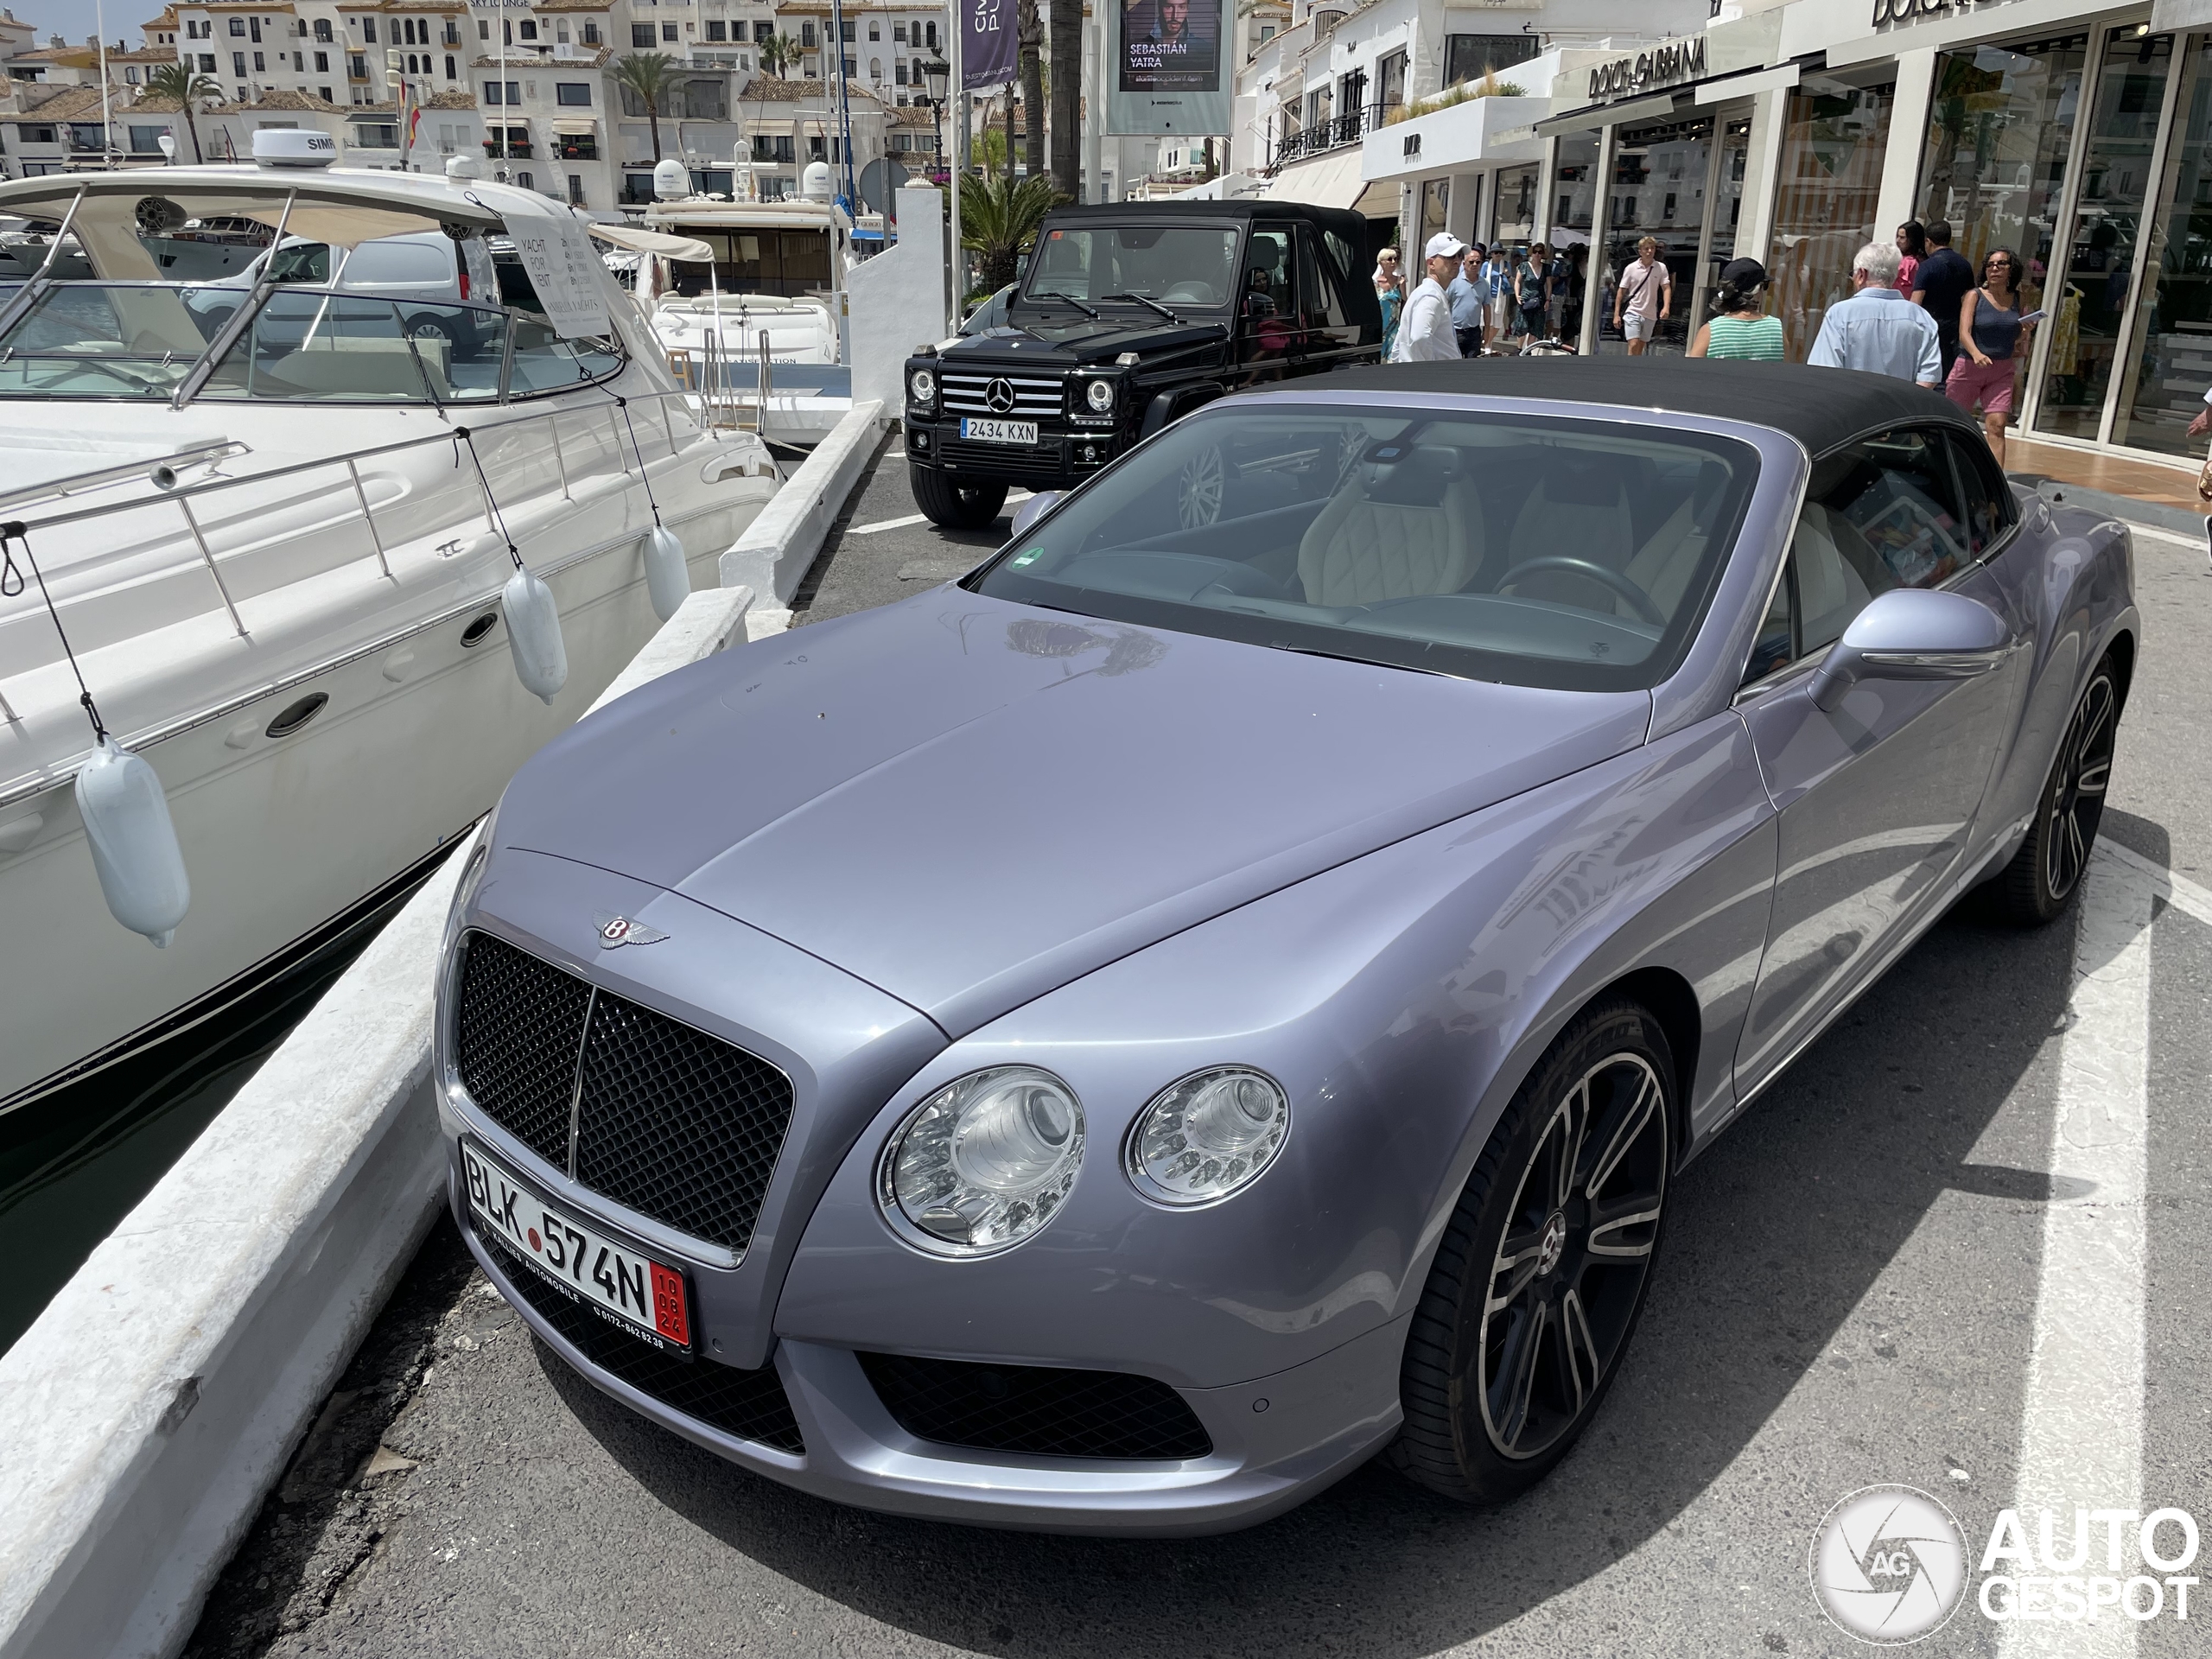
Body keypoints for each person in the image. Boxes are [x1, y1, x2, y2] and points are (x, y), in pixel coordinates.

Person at [1948, 246, 2037, 468]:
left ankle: (1997, 478)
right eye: (1990, 265)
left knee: (1997, 425)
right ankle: (1950, 467)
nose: (1994, 269)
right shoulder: (1974, 296)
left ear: (2011, 270)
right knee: (1954, 422)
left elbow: (2014, 339)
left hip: (2001, 369)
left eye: (2001, 264)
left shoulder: (2018, 298)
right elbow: (1964, 332)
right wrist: (1976, 354)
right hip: (1969, 367)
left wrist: (2026, 331)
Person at [1808, 240, 1942, 386]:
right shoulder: (1921, 318)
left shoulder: (1840, 314)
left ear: (1861, 275)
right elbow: (1929, 376)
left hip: (1851, 406)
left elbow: (1823, 371)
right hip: (1901, 406)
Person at [1910, 219, 1976, 382]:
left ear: (1928, 241)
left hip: (1930, 326)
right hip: (1954, 327)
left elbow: (1915, 302)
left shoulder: (1927, 266)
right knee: (1946, 374)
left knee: (1925, 373)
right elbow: (1969, 297)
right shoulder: (1965, 265)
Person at [1686, 257, 1784, 360]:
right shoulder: (1777, 329)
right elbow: (1788, 372)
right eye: (1764, 286)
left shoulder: (1711, 331)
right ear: (1756, 290)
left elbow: (1693, 371)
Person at [1393, 231, 1464, 362]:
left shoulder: (1424, 292)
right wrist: (1426, 375)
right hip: (1433, 378)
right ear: (1431, 263)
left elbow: (1399, 345)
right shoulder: (1431, 296)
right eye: (1450, 256)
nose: (1457, 261)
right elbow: (1420, 337)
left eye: (1460, 256)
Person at [1613, 236, 1671, 356]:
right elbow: (1621, 291)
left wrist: (1666, 307)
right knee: (1633, 344)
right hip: (1633, 311)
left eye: (1652, 248)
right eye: (1646, 249)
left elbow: (1666, 288)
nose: (1650, 251)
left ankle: (1635, 368)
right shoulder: (1631, 268)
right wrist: (1616, 315)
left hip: (1650, 313)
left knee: (1640, 346)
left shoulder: (1660, 267)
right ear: (1640, 251)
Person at [1447, 244, 1488, 358]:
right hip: (1455, 332)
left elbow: (1487, 308)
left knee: (1472, 366)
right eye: (1471, 262)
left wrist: (1487, 330)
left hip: (1474, 332)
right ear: (1464, 264)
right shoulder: (1454, 282)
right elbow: (1445, 305)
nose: (1475, 265)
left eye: (1478, 262)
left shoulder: (1484, 284)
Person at [1511, 242, 1551, 346]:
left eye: (1540, 252)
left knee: (1536, 327)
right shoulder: (1524, 266)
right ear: (1531, 253)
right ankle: (1520, 349)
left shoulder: (1546, 268)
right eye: (1535, 252)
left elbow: (1549, 285)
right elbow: (1517, 281)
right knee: (1522, 325)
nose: (1537, 254)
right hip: (1526, 298)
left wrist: (1548, 300)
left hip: (1539, 299)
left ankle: (1529, 350)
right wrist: (1517, 295)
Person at [1373, 248, 1404, 359]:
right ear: (1381, 262)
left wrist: (1402, 287)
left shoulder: (1399, 281)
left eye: (1395, 259)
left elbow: (1405, 300)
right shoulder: (1375, 283)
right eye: (1389, 259)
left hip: (1395, 326)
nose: (1393, 262)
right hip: (1380, 326)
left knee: (1393, 357)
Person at [1895, 220, 1928, 297]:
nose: (1897, 241)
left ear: (1912, 239)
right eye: (1897, 236)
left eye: (1902, 238)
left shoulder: (1911, 262)